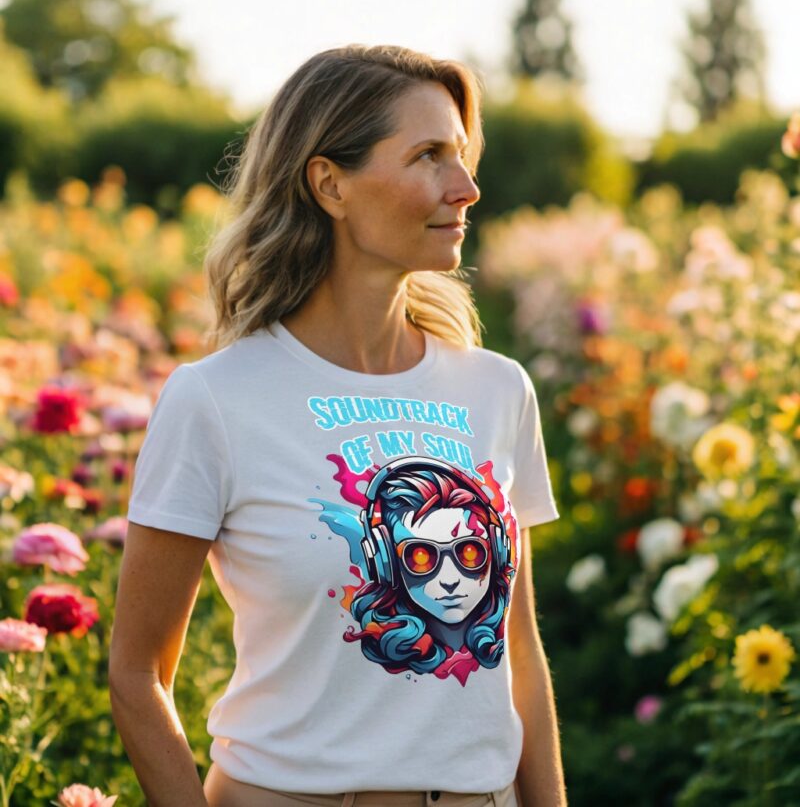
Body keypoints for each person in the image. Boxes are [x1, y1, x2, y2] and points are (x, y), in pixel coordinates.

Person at [109, 44, 568, 807]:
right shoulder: (216, 399)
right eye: (428, 156)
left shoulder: (497, 389)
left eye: (460, 154)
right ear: (329, 183)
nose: (467, 187)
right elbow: (136, 674)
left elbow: (518, 651)